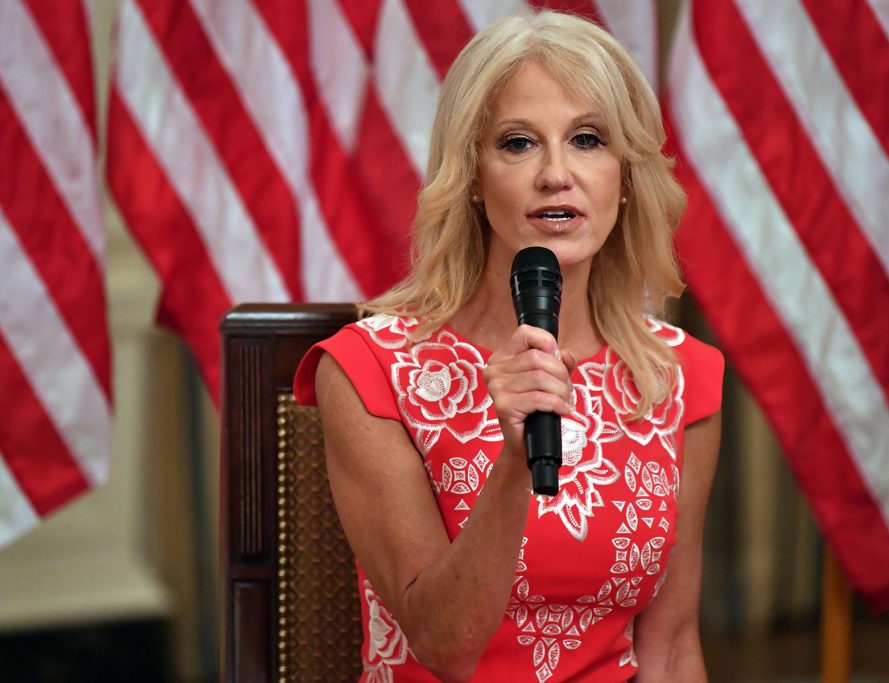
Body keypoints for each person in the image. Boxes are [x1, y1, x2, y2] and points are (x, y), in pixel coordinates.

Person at [294, 9, 723, 682]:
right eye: (518, 144)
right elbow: (445, 643)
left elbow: (669, 648)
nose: (557, 173)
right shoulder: (369, 370)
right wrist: (515, 463)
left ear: (626, 175)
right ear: (470, 175)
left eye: (587, 139)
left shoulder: (677, 376)